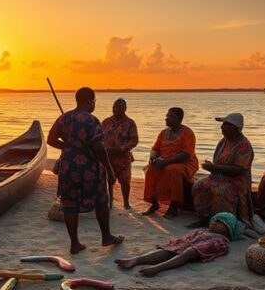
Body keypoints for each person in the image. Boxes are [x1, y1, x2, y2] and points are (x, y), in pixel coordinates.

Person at [47, 87, 124, 254]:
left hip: (67, 167)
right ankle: (106, 236)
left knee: (70, 203)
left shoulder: (64, 118)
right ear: (89, 101)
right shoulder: (91, 120)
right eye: (94, 101)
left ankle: (74, 243)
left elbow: (51, 139)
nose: (94, 105)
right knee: (101, 200)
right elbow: (98, 147)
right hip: (88, 168)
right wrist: (109, 168)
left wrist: (67, 147)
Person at [114, 212, 244, 277]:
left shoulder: (222, 240)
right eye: (214, 220)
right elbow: (184, 240)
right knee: (171, 249)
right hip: (192, 242)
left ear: (229, 228)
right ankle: (136, 260)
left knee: (189, 252)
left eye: (220, 222)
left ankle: (159, 267)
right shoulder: (202, 231)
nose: (214, 222)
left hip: (203, 246)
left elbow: (206, 247)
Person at [189, 113, 254, 228]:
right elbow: (218, 162)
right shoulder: (224, 141)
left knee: (220, 191)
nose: (222, 127)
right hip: (220, 176)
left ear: (236, 128)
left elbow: (239, 169)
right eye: (223, 124)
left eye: (226, 124)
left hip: (236, 181)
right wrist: (212, 166)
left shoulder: (243, 145)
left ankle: (224, 222)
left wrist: (215, 168)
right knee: (199, 186)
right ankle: (204, 218)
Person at [142, 107, 199, 219]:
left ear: (179, 119)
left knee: (172, 170)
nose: (166, 118)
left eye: (170, 117)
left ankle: (174, 205)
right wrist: (152, 159)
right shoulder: (163, 133)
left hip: (185, 163)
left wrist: (166, 162)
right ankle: (154, 203)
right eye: (167, 116)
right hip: (165, 161)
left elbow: (186, 155)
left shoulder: (187, 133)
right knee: (150, 170)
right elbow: (155, 149)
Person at [101, 98, 139, 210]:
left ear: (124, 109)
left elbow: (134, 140)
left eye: (118, 108)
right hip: (107, 157)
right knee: (108, 180)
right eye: (113, 107)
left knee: (125, 181)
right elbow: (99, 137)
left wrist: (120, 149)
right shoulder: (106, 122)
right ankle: (110, 201)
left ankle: (126, 203)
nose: (115, 109)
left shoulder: (130, 123)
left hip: (122, 157)